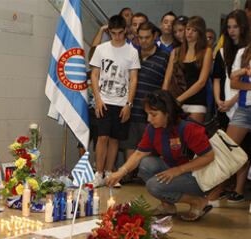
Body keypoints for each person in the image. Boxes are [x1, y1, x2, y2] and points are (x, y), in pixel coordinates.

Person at [106, 90, 215, 221]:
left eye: (153, 115)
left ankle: (197, 201)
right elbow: (139, 153)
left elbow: (209, 157)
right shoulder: (152, 129)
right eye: (147, 114)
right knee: (146, 164)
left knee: (154, 186)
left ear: (168, 113)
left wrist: (178, 170)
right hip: (175, 171)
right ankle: (168, 205)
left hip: (197, 176)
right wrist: (121, 172)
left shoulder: (189, 128)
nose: (149, 119)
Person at [89, 15, 140, 186]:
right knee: (102, 137)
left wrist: (129, 104)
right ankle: (98, 172)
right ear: (109, 32)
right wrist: (97, 99)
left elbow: (133, 79)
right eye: (113, 33)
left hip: (121, 102)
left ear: (125, 30)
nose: (117, 36)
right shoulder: (101, 49)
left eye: (120, 33)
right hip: (103, 100)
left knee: (114, 140)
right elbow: (94, 75)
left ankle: (110, 173)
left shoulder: (132, 51)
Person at [120, 21, 169, 186]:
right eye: (140, 38)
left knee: (149, 145)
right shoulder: (132, 53)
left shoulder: (164, 56)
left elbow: (166, 83)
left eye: (147, 38)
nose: (144, 41)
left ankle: (143, 175)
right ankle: (129, 174)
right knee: (130, 142)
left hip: (152, 109)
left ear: (155, 36)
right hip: (132, 106)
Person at [162, 16, 213, 123]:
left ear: (200, 33)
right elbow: (167, 79)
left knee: (192, 137)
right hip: (175, 101)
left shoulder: (206, 51)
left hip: (196, 102)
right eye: (188, 29)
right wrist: (163, 100)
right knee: (174, 138)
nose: (189, 33)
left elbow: (201, 82)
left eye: (194, 30)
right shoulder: (175, 51)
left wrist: (179, 99)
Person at [213, 10, 249, 130]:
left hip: (243, 102)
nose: (231, 31)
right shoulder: (222, 51)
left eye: (235, 27)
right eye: (229, 27)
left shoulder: (248, 51)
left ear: (243, 27)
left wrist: (232, 102)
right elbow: (217, 79)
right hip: (223, 103)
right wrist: (218, 100)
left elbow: (245, 83)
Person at [225, 39, 251, 202]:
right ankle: (209, 196)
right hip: (244, 109)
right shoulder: (243, 52)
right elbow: (234, 83)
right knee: (226, 150)